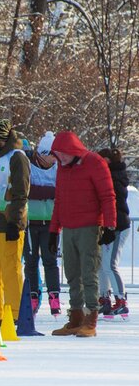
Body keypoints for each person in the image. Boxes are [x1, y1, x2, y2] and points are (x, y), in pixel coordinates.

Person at [49, 131, 117, 337]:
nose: (61, 158)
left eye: (64, 154)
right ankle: (76, 316)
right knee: (71, 274)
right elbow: (59, 200)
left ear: (73, 150)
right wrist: (54, 231)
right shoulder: (62, 168)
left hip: (89, 227)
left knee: (89, 273)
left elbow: (107, 196)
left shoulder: (95, 162)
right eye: (58, 154)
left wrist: (110, 226)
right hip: (69, 228)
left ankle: (91, 318)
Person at [0, 119, 30, 323]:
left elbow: (21, 191)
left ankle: (15, 313)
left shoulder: (16, 157)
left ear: (1, 138)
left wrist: (15, 222)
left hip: (8, 223)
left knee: (11, 270)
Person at [23, 131, 61, 316]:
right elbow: (27, 190)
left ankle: (54, 296)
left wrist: (44, 192)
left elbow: (61, 192)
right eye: (51, 156)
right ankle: (32, 296)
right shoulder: (28, 165)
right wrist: (49, 192)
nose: (54, 160)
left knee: (50, 260)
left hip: (51, 223)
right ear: (42, 154)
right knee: (30, 261)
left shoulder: (58, 168)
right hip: (30, 222)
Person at [97, 148, 130, 320]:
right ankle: (104, 297)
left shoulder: (114, 177)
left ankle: (121, 300)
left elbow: (114, 204)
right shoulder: (109, 175)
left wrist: (110, 226)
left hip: (119, 226)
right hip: (109, 226)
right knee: (102, 264)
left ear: (107, 161)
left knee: (110, 264)